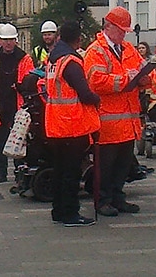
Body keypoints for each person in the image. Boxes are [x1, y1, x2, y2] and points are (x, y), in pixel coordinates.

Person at [84, 6, 148, 217]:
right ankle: (102, 200)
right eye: (121, 29)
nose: (123, 34)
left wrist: (145, 79)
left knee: (123, 165)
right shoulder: (96, 51)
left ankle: (117, 197)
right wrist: (127, 79)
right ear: (108, 26)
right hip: (107, 123)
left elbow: (145, 73)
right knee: (105, 167)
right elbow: (96, 83)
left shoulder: (128, 49)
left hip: (127, 122)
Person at [45, 21, 100, 227]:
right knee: (71, 171)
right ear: (78, 39)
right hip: (72, 123)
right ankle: (70, 213)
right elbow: (84, 94)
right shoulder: (71, 62)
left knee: (60, 169)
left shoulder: (53, 61)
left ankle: (58, 210)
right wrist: (97, 99)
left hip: (55, 122)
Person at [0, 23, 34, 183]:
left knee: (19, 142)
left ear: (16, 40)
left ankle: (19, 174)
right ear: (0, 41)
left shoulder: (24, 58)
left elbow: (29, 82)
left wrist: (20, 87)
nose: (8, 43)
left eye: (11, 39)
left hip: (18, 107)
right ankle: (0, 173)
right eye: (5, 40)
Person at [135, 42, 156, 158]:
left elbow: (155, 80)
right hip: (142, 94)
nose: (141, 50)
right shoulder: (136, 61)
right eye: (139, 48)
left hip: (150, 93)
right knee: (141, 116)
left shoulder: (150, 63)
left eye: (143, 48)